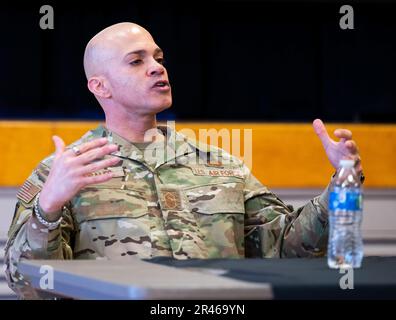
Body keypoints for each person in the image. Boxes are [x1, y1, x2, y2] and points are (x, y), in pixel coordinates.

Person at [4, 22, 363, 299]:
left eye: (158, 58)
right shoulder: (66, 171)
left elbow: (287, 250)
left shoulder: (222, 165)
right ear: (100, 87)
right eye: (136, 61)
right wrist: (47, 208)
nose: (157, 67)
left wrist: (342, 184)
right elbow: (28, 287)